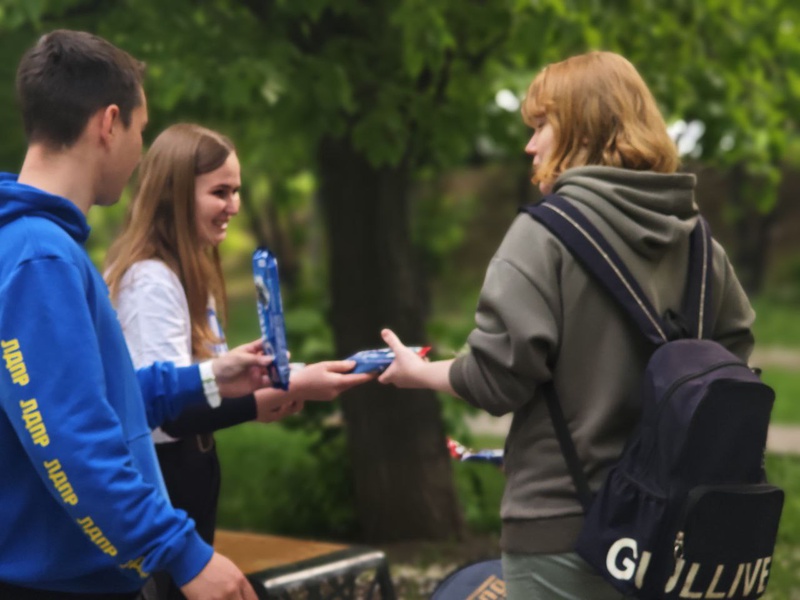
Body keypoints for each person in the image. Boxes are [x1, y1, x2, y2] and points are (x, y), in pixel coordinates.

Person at [377, 51, 756, 600]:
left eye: (541, 126)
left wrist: (421, 373)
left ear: (585, 129)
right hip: (674, 531)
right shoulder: (699, 243)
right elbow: (734, 361)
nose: (530, 146)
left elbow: (497, 379)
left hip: (562, 530)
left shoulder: (543, 236)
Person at [0, 30, 271, 600]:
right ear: (108, 123)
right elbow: (72, 438)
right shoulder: (39, 258)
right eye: (141, 132)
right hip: (59, 585)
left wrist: (211, 381)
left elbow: (103, 398)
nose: (140, 152)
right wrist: (182, 551)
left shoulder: (45, 248)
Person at [104, 123, 375, 599]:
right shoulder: (149, 281)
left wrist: (264, 391)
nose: (235, 206)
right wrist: (280, 392)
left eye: (237, 191)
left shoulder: (191, 271)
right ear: (174, 194)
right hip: (159, 494)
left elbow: (201, 387)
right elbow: (167, 409)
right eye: (220, 192)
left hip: (188, 487)